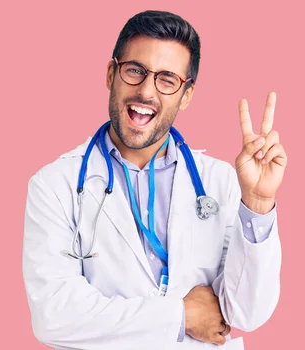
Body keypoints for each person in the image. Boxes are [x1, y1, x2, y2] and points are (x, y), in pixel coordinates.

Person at [22, 10, 287, 350]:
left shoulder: (222, 181)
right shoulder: (54, 185)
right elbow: (54, 317)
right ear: (110, 74)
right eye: (135, 71)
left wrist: (259, 204)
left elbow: (247, 313)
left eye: (167, 79)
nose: (146, 91)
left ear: (187, 95)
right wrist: (179, 317)